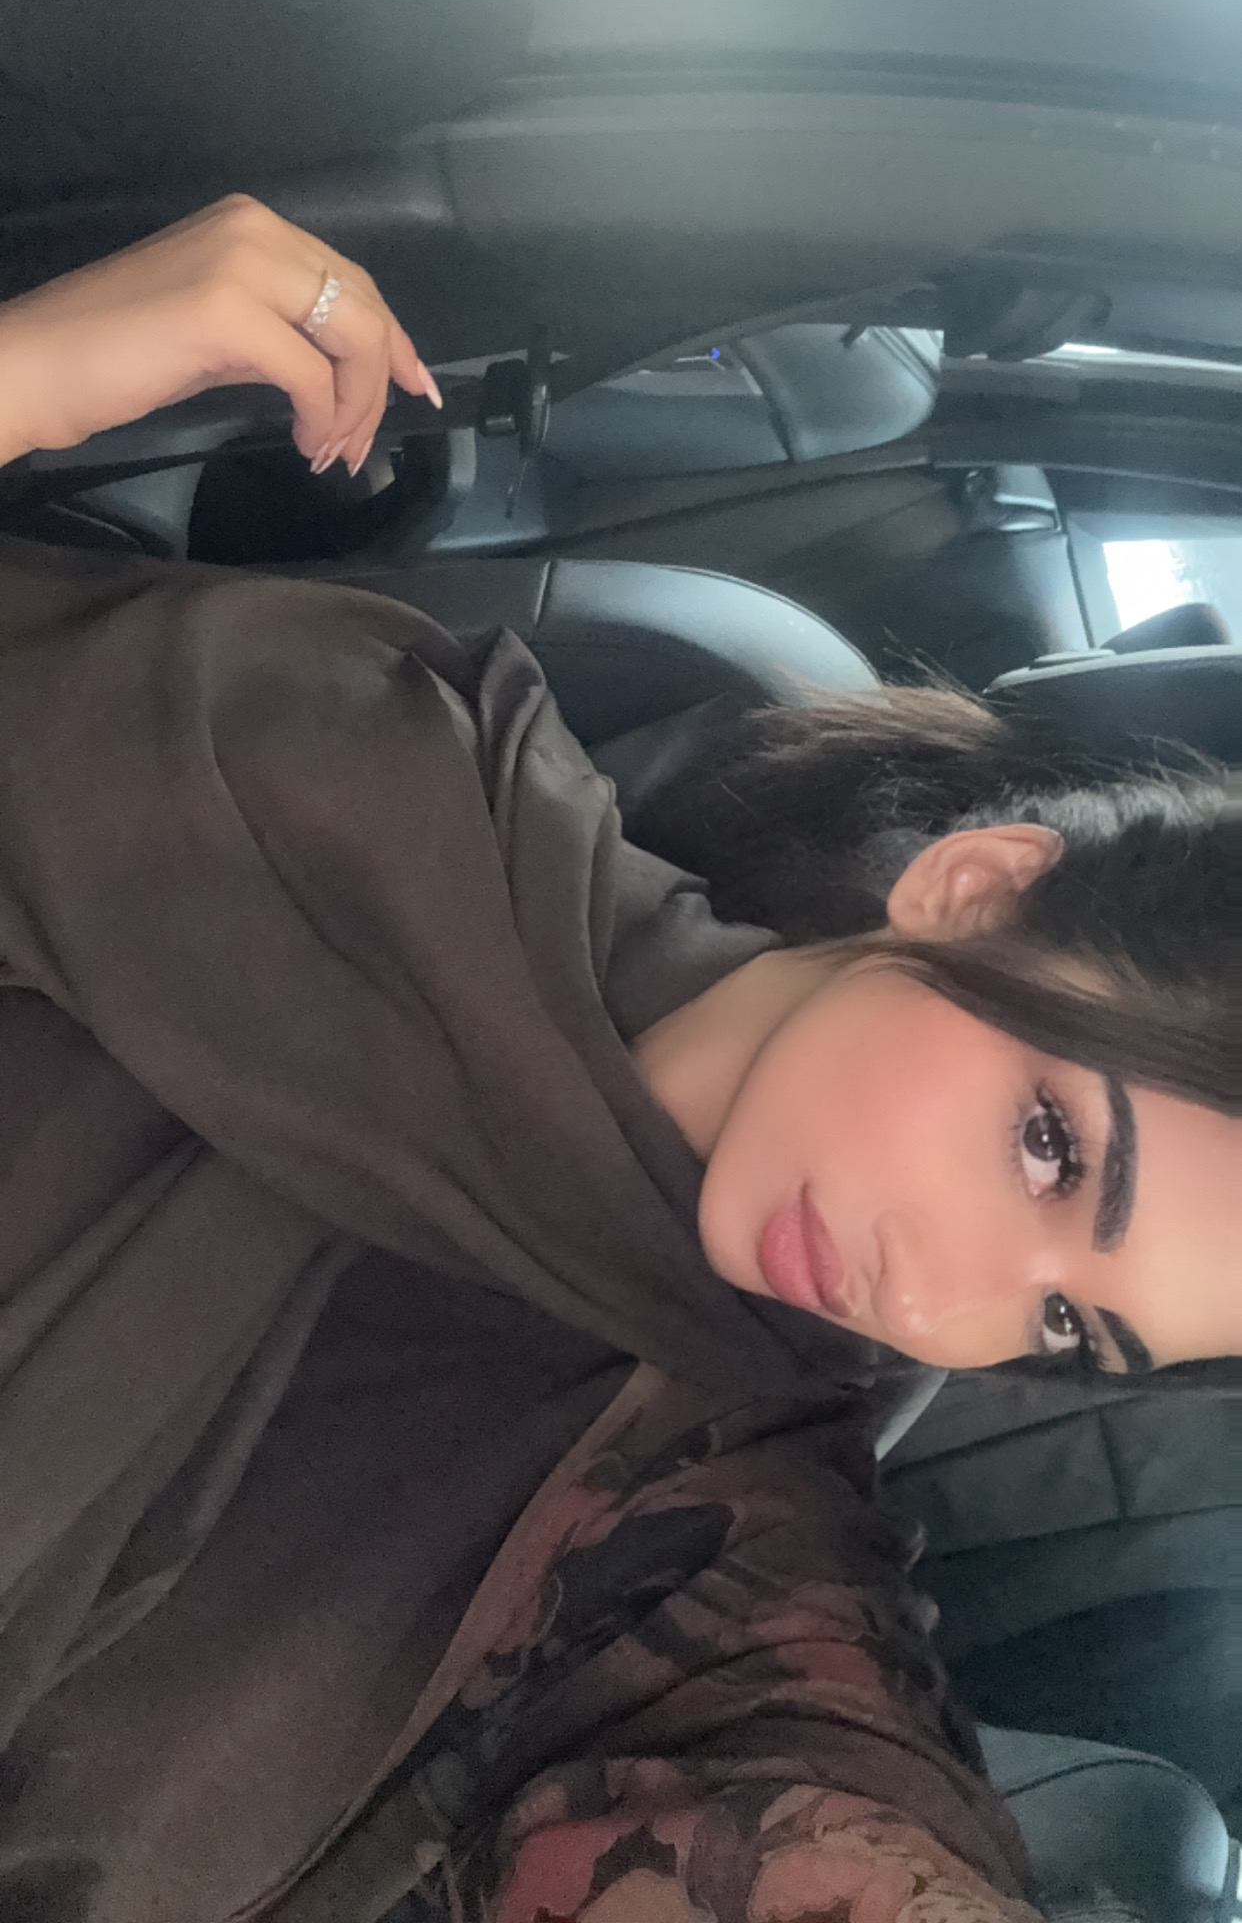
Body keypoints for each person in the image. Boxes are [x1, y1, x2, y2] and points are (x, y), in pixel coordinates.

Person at [0, 198, 1235, 1923]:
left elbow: (781, 1781)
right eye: (1049, 1152)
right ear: (973, 889)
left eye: (1060, 1330)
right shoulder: (360, 772)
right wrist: (22, 375)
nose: (933, 1303)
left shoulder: (711, 1495)